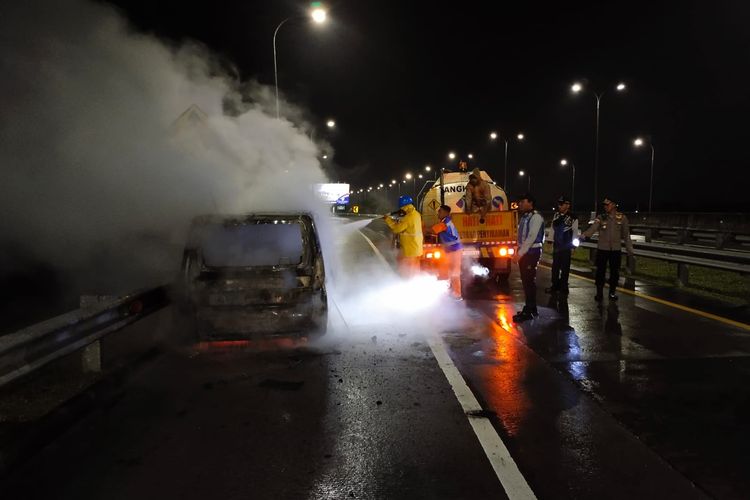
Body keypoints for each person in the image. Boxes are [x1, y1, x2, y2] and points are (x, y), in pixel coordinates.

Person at [581, 196, 635, 301]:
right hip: (602, 250)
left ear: (614, 205)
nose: (605, 207)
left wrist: (630, 250)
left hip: (615, 251)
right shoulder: (601, 217)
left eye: (607, 204)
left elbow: (626, 235)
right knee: (600, 272)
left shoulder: (622, 218)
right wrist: (584, 236)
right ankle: (599, 293)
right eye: (604, 205)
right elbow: (593, 228)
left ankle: (612, 293)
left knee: (615, 273)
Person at [512, 193, 545, 322]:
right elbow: (521, 237)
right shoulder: (525, 217)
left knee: (529, 282)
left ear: (530, 203)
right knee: (526, 282)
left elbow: (531, 238)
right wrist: (518, 251)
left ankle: (529, 310)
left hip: (531, 253)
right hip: (526, 252)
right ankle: (532, 308)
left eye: (522, 201)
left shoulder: (536, 217)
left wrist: (519, 254)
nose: (520, 204)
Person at [546, 195, 579, 295]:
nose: (559, 206)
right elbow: (552, 229)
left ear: (567, 205)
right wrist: (550, 241)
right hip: (557, 246)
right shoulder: (556, 215)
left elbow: (575, 233)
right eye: (559, 204)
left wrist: (573, 247)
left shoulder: (573, 218)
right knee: (555, 267)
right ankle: (554, 286)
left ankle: (564, 287)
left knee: (565, 268)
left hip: (566, 246)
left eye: (561, 204)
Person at [384, 195, 424, 278]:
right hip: (417, 248)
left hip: (409, 250)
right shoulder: (416, 214)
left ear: (404, 206)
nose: (401, 209)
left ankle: (407, 285)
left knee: (407, 272)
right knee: (415, 270)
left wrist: (388, 219)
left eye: (401, 207)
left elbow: (396, 229)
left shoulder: (408, 217)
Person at [430, 205, 463, 299]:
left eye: (439, 211)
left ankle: (457, 295)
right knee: (445, 270)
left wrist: (421, 228)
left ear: (445, 213)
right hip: (451, 250)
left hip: (455, 250)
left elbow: (432, 230)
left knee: (455, 273)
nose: (438, 213)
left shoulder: (445, 223)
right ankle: (448, 292)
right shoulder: (445, 222)